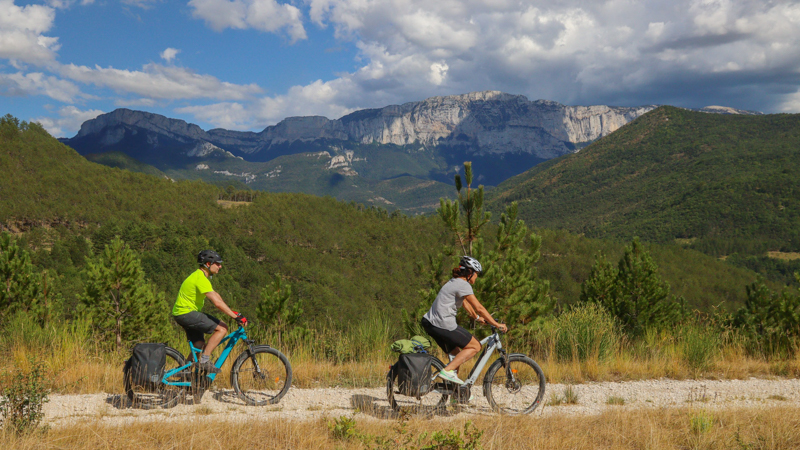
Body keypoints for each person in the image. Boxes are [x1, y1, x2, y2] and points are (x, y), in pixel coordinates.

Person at [421, 256, 507, 385]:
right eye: (476, 274)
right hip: (442, 323)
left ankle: (455, 393)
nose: (476, 277)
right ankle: (447, 371)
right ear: (469, 273)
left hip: (430, 323)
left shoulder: (454, 282)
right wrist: (496, 324)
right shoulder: (463, 284)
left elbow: (466, 302)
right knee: (475, 346)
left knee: (456, 355)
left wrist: (477, 318)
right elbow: (479, 307)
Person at [172, 250, 247, 373]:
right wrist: (235, 317)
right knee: (222, 328)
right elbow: (217, 303)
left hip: (182, 313)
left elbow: (216, 296)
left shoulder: (200, 276)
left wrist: (234, 312)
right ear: (208, 264)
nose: (220, 266)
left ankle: (184, 373)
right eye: (217, 264)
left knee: (199, 345)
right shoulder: (200, 278)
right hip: (186, 313)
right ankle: (205, 361)